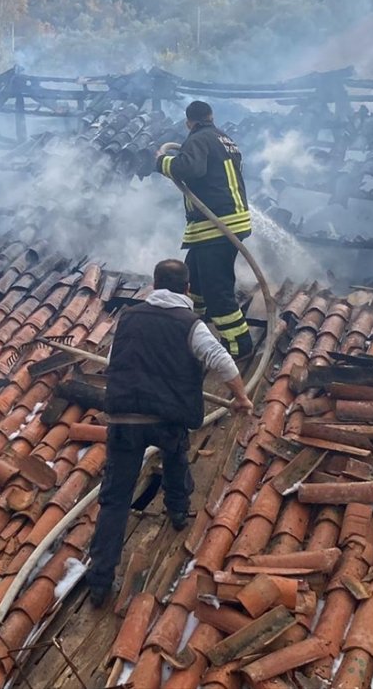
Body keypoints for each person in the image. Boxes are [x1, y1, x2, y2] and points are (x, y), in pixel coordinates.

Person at [86, 258, 253, 607]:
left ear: (155, 284)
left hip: (124, 419)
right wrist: (240, 397)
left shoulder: (129, 318)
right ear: (187, 288)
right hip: (166, 419)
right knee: (176, 458)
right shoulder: (189, 323)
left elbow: (117, 357)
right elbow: (220, 359)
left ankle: (100, 581)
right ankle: (178, 512)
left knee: (115, 500)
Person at [156, 100, 253, 359]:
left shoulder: (197, 139)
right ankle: (191, 327)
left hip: (217, 227)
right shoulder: (225, 139)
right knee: (194, 281)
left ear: (189, 122)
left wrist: (162, 162)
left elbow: (190, 169)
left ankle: (238, 345)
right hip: (223, 224)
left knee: (216, 288)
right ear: (211, 116)